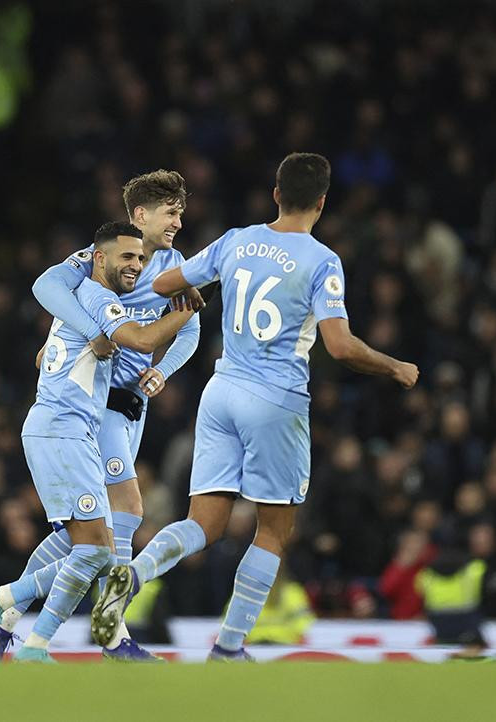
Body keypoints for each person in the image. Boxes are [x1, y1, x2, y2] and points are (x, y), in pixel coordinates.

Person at [90, 152, 419, 660]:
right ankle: (228, 647)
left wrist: (195, 296)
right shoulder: (322, 261)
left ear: (276, 195)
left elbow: (162, 283)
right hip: (275, 398)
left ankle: (130, 574)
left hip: (221, 392)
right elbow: (341, 346)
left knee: (204, 523)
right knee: (274, 529)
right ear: (323, 203)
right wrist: (394, 366)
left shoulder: (237, 240)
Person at [0, 170, 199, 661]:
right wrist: (87, 332)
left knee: (79, 535)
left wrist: (163, 371)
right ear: (140, 215)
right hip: (97, 404)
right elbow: (49, 286)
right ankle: (113, 633)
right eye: (171, 213)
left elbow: (187, 333)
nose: (178, 223)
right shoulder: (103, 260)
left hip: (132, 407)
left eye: (181, 214)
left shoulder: (173, 268)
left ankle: (6, 611)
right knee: (123, 513)